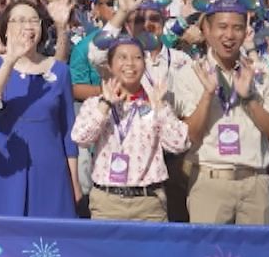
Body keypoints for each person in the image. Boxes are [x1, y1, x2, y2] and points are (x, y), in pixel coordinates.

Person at [170, 0, 269, 224]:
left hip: (255, 182)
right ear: (206, 30)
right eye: (222, 27)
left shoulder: (261, 72)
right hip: (210, 179)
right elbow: (190, 135)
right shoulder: (189, 73)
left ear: (246, 32)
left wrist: (249, 98)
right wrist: (208, 94)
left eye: (237, 28)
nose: (229, 36)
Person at [0, 0, 79, 218]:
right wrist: (10, 60)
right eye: (20, 20)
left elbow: (68, 130)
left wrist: (75, 182)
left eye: (34, 20)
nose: (28, 26)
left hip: (49, 168)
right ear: (6, 30)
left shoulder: (60, 71)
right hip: (6, 166)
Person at [70, 36, 188, 221]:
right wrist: (105, 104)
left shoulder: (155, 103)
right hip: (107, 202)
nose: (130, 63)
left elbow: (179, 144)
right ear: (109, 65)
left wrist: (160, 108)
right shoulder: (96, 104)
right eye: (122, 58)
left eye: (137, 58)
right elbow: (81, 138)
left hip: (149, 203)